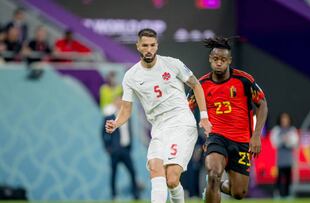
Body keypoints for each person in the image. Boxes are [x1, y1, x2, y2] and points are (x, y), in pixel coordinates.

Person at [105, 28, 212, 203]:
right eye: (145, 45)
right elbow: (126, 109)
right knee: (155, 169)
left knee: (171, 178)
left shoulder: (173, 64)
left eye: (152, 45)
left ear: (157, 46)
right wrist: (116, 123)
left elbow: (196, 85)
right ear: (138, 46)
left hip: (181, 123)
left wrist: (204, 117)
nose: (149, 49)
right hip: (159, 128)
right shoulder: (131, 76)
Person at [188, 37, 268, 202]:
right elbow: (185, 108)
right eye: (216, 59)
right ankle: (212, 184)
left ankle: (214, 188)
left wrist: (256, 136)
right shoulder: (200, 85)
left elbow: (262, 104)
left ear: (229, 60)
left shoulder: (244, 80)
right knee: (213, 174)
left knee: (239, 192)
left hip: (241, 141)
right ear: (210, 59)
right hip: (216, 137)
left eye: (223, 60)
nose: (219, 63)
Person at [102, 97, 140, 200]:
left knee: (132, 171)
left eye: (121, 101)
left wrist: (130, 145)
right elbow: (103, 133)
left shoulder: (127, 116)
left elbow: (129, 131)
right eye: (117, 101)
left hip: (126, 149)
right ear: (114, 103)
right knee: (114, 173)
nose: (119, 103)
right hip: (115, 151)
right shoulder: (109, 117)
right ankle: (114, 195)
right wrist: (108, 148)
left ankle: (135, 195)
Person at [270, 112, 298, 198]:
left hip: (289, 159)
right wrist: (282, 140)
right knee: (279, 177)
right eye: (283, 119)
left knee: (288, 178)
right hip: (280, 159)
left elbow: (294, 142)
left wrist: (287, 141)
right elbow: (274, 142)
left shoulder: (292, 130)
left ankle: (287, 194)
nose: (284, 121)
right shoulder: (276, 130)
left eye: (286, 119)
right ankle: (278, 193)